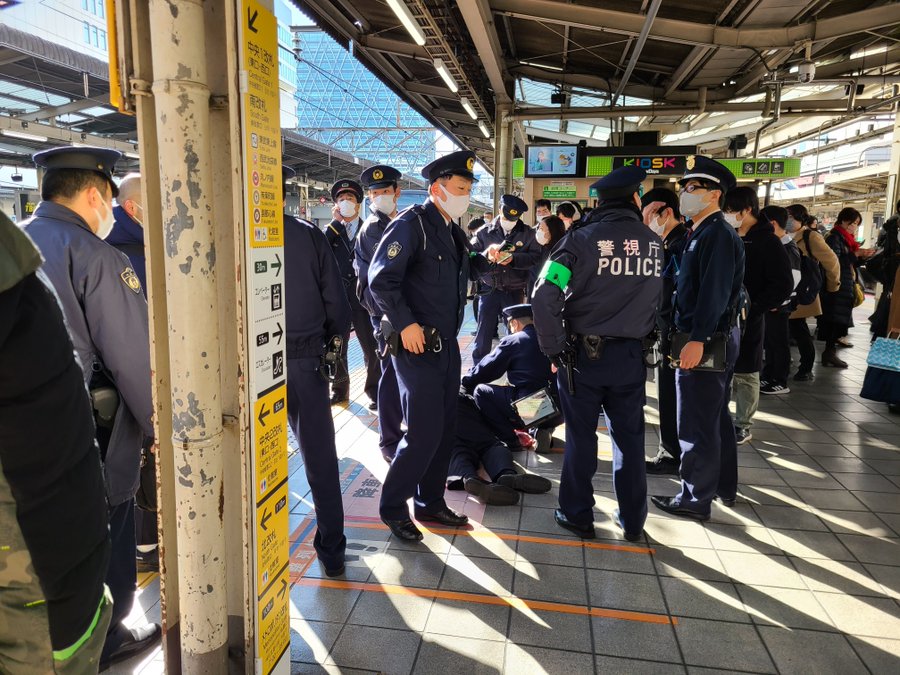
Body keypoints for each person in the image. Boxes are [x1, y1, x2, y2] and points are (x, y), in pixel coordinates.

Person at [22, 146, 159, 666]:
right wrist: (159, 427)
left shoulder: (16, 239)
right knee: (107, 536)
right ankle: (107, 638)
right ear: (93, 195)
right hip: (90, 435)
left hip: (23, 434)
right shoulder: (99, 257)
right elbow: (132, 357)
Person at [0, 210, 113, 673]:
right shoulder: (92, 256)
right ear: (96, 194)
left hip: (39, 563)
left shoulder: (28, 241)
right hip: (46, 565)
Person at [533, 165, 662, 542]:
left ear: (599, 202)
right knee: (630, 439)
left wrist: (554, 347)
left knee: (581, 438)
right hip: (632, 358)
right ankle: (634, 521)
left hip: (582, 359)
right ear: (635, 199)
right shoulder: (653, 243)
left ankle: (577, 515)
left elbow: (544, 295)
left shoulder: (581, 240)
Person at [368, 150, 491, 542]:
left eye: (469, 189)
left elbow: (465, 268)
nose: (465, 196)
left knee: (444, 428)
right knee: (421, 432)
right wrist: (405, 324)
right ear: (437, 189)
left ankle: (430, 502)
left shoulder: (451, 228)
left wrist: (487, 261)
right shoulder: (412, 225)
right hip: (417, 347)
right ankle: (392, 507)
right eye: (460, 188)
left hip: (447, 347)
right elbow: (380, 280)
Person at [651, 157, 745, 522]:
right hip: (705, 336)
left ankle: (694, 497)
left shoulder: (716, 235)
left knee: (695, 421)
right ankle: (721, 484)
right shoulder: (702, 232)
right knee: (714, 416)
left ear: (715, 194)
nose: (685, 195)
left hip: (703, 339)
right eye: (684, 188)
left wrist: (699, 339)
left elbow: (714, 293)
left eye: (693, 189)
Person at [283, 166, 351, 576]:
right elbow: (337, 306)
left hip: (246, 367)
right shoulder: (309, 234)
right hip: (304, 363)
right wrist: (331, 354)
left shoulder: (227, 227)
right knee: (321, 458)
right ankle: (332, 552)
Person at [106, 173, 159, 574]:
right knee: (138, 461)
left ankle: (146, 542)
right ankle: (145, 547)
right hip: (130, 377)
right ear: (131, 206)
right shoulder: (117, 253)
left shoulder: (141, 242)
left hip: (131, 372)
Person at [725, 187, 793, 444]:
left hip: (749, 317)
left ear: (748, 210)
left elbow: (783, 283)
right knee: (722, 368)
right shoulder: (728, 235)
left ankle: (742, 423)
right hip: (722, 315)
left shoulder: (767, 241)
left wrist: (755, 307)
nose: (728, 215)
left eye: (732, 210)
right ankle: (720, 417)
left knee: (746, 373)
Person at [354, 165, 404, 462]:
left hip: (395, 314)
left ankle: (395, 434)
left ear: (396, 192)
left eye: (384, 191)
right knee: (390, 376)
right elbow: (381, 280)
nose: (379, 197)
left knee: (397, 374)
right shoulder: (374, 228)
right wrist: (390, 316)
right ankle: (389, 440)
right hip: (385, 315)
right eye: (374, 193)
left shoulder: (395, 222)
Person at [640, 188, 690, 475]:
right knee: (668, 394)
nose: (645, 221)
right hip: (666, 331)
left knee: (672, 396)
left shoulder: (680, 245)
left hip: (674, 334)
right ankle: (670, 450)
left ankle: (672, 454)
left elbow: (676, 293)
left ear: (664, 211)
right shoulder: (669, 243)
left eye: (647, 215)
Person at [461, 304, 553, 451]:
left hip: (533, 408)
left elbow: (487, 369)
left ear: (514, 323)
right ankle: (540, 429)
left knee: (481, 391)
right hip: (561, 409)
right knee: (532, 395)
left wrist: (466, 382)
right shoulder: (552, 338)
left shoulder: (515, 340)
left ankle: (511, 440)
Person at [324, 179, 380, 406]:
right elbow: (320, 251)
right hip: (337, 298)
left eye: (350, 199)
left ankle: (375, 391)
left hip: (364, 298)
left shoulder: (371, 229)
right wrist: (335, 225)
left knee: (372, 347)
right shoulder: (331, 231)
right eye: (341, 199)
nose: (346, 202)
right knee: (337, 345)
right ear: (335, 205)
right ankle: (339, 390)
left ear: (359, 204)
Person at [470, 195, 542, 364]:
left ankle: (516, 367)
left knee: (516, 333)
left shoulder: (528, 233)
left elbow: (535, 257)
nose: (510, 221)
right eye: (507, 217)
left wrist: (514, 258)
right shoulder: (484, 232)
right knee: (484, 332)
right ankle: (478, 368)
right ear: (500, 210)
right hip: (489, 290)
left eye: (514, 218)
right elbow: (471, 255)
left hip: (514, 290)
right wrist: (486, 254)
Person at [447, 393, 552, 506]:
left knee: (457, 453)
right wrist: (510, 439)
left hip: (439, 420)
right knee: (492, 446)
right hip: (463, 405)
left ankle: (468, 478)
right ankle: (506, 473)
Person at [819, 207, 875, 367]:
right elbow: (833, 262)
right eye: (853, 223)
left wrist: (862, 256)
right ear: (844, 220)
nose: (854, 226)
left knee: (838, 321)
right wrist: (855, 254)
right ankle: (828, 353)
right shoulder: (834, 237)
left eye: (857, 224)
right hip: (836, 285)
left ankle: (830, 353)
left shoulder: (847, 239)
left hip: (845, 284)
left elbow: (849, 262)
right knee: (833, 320)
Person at [789, 210, 840, 381]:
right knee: (787, 328)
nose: (787, 220)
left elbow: (831, 261)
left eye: (791, 217)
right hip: (785, 289)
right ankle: (786, 362)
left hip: (803, 289)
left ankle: (806, 367)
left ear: (801, 220)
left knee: (799, 328)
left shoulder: (811, 237)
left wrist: (833, 286)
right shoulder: (781, 233)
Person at [760, 205, 802, 394]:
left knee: (779, 342)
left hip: (780, 305)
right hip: (772, 304)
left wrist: (777, 301)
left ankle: (780, 380)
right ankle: (768, 375)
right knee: (770, 342)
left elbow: (792, 279)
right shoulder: (777, 244)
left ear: (772, 223)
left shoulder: (788, 247)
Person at [528, 215, 567, 296]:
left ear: (552, 232)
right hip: (534, 295)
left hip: (549, 299)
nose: (538, 231)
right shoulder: (539, 248)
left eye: (541, 229)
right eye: (538, 228)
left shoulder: (561, 254)